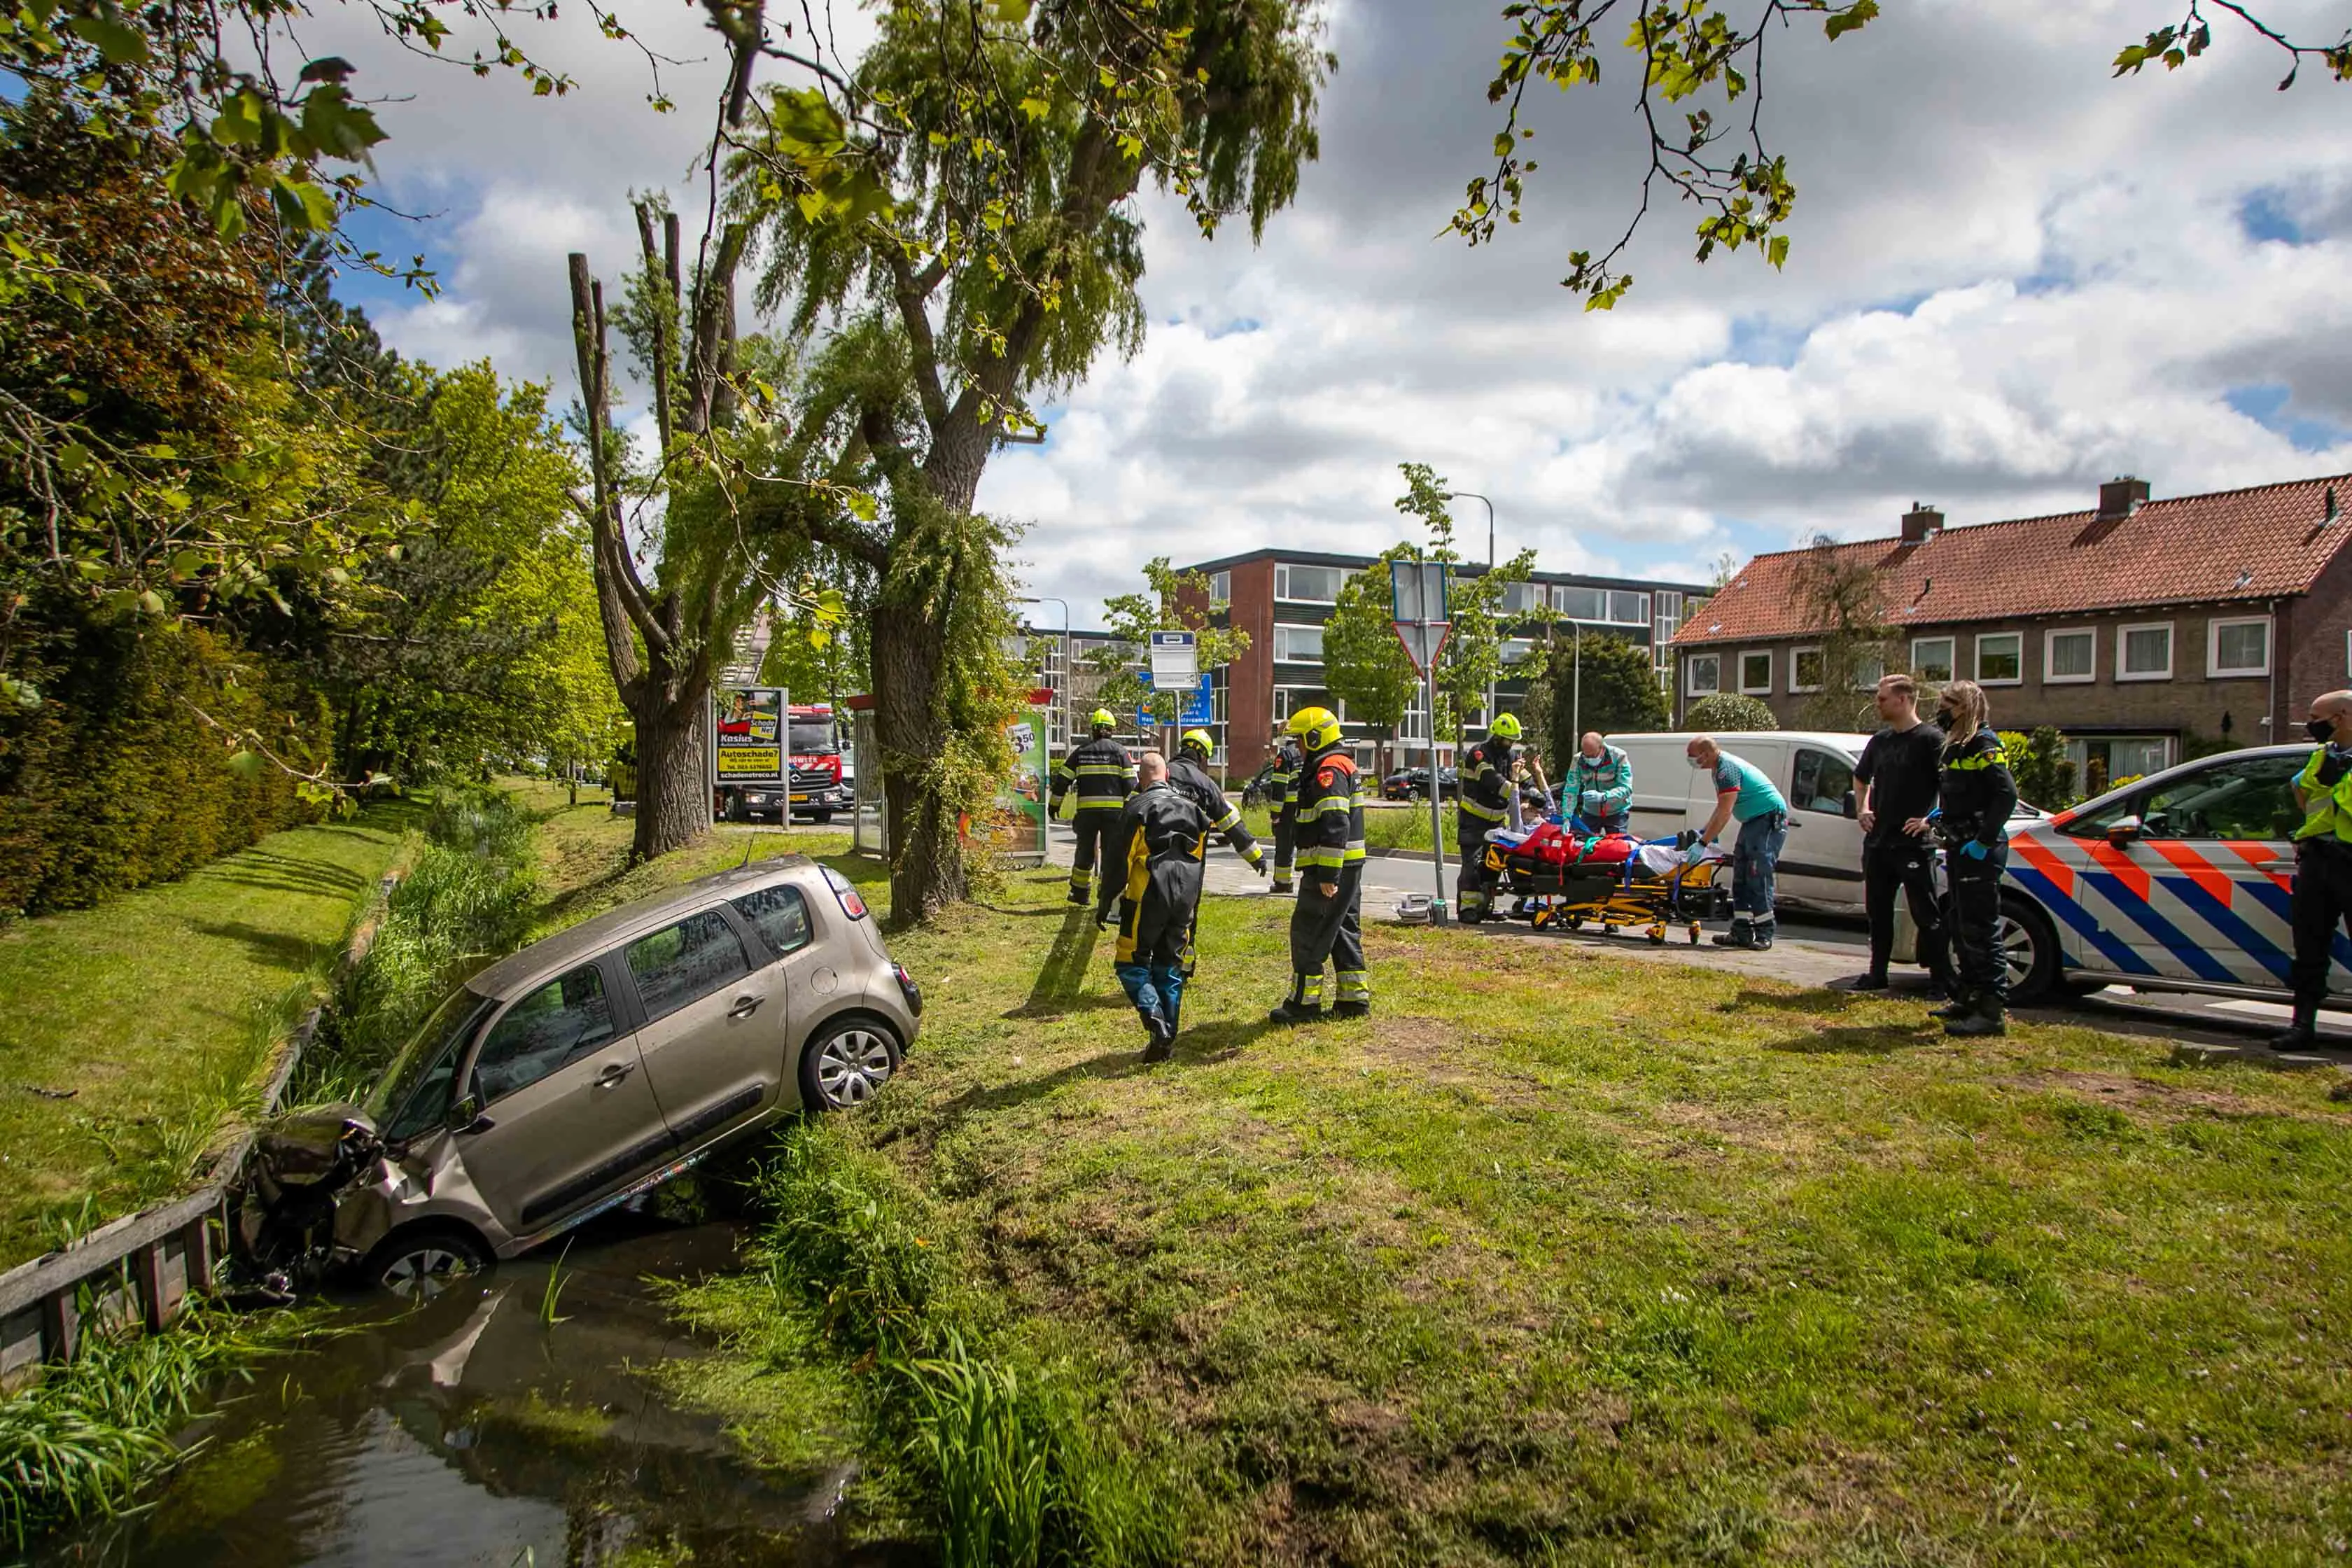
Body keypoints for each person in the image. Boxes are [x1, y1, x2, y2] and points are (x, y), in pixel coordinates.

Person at [1839, 675, 1951, 994]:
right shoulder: (1880, 741)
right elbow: (1860, 778)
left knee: (1925, 912)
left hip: (1913, 845)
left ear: (1903, 700)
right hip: (1879, 843)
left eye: (1883, 698)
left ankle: (1941, 981)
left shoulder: (1931, 740)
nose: (1878, 703)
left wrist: (1931, 820)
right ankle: (1877, 974)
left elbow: (1950, 786)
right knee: (1879, 912)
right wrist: (1863, 809)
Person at [1918, 679, 2017, 1037]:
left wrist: (1984, 839)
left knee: (1981, 929)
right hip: (1960, 844)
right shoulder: (1955, 747)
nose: (1940, 710)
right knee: (1961, 924)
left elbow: (2005, 795)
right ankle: (1968, 997)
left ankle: (1991, 1012)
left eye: (1946, 704)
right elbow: (1958, 792)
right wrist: (1941, 815)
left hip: (1980, 849)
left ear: (1963, 707)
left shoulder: (1984, 743)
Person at [1100, 752, 1210, 1062]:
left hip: (1147, 894)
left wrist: (1105, 902)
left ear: (1141, 779)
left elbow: (1117, 863)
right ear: (1166, 775)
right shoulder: (1195, 812)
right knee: (1169, 967)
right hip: (1185, 895)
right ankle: (1165, 1043)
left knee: (1130, 962)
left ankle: (1155, 1020)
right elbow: (1199, 864)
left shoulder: (1137, 809)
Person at [1269, 706, 1369, 1023]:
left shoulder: (1329, 770)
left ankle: (1303, 1005)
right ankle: (1353, 1000)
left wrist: (1328, 874)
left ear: (1315, 738)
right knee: (1342, 930)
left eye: (1300, 740)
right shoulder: (1338, 763)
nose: (1297, 747)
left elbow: (1335, 822)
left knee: (1308, 933)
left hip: (1329, 869)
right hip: (1346, 867)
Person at [2272, 688, 2352, 1051]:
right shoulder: (2323, 756)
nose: (2312, 725)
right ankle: (2302, 1026)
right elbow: (2300, 792)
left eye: (2318, 718)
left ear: (2343, 716)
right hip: (2319, 857)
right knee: (2309, 946)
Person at [1687, 734, 1788, 950]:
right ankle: (1741, 932)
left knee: (1757, 874)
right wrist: (1706, 833)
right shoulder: (1718, 769)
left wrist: (1703, 844)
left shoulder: (1727, 769)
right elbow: (1720, 807)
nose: (1691, 761)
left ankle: (1765, 933)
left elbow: (1726, 811)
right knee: (1741, 876)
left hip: (1767, 819)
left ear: (1706, 754)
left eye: (1693, 756)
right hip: (1753, 821)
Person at [1049, 708, 1136, 906]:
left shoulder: (1081, 752)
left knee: (1085, 852)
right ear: (1112, 730)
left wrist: (1054, 805)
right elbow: (1131, 785)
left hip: (1087, 815)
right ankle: (1106, 896)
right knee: (1111, 856)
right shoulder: (1120, 752)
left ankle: (1080, 893)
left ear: (1093, 730)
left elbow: (1062, 781)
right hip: (1114, 815)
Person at [1168, 730, 1270, 877]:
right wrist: (1257, 858)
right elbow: (1230, 823)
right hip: (1188, 857)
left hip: (1151, 849)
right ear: (1202, 756)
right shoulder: (1205, 785)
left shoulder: (1159, 772)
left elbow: (1133, 806)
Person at [1455, 713, 1520, 921]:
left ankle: (1486, 907)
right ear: (1496, 737)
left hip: (1497, 822)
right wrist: (1521, 793)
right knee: (1472, 865)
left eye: (1513, 741)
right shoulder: (1479, 754)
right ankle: (1468, 909)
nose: (1510, 744)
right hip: (1473, 820)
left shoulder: (1510, 756)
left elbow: (1522, 778)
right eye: (1507, 740)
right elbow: (1493, 781)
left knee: (1493, 865)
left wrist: (1535, 789)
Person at [1569, 732, 1633, 834]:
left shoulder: (1619, 757)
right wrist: (1567, 816)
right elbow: (1570, 789)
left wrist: (1604, 797)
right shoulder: (1578, 760)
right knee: (1584, 845)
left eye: (1593, 755)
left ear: (1602, 749)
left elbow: (1626, 788)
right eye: (1586, 755)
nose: (1589, 759)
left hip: (1616, 811)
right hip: (1590, 811)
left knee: (1616, 847)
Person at [1268, 724, 1303, 895]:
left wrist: (1275, 815)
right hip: (1305, 808)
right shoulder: (1305, 754)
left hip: (1288, 810)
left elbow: (1279, 787)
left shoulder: (1285, 756)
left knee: (1284, 847)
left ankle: (1283, 883)